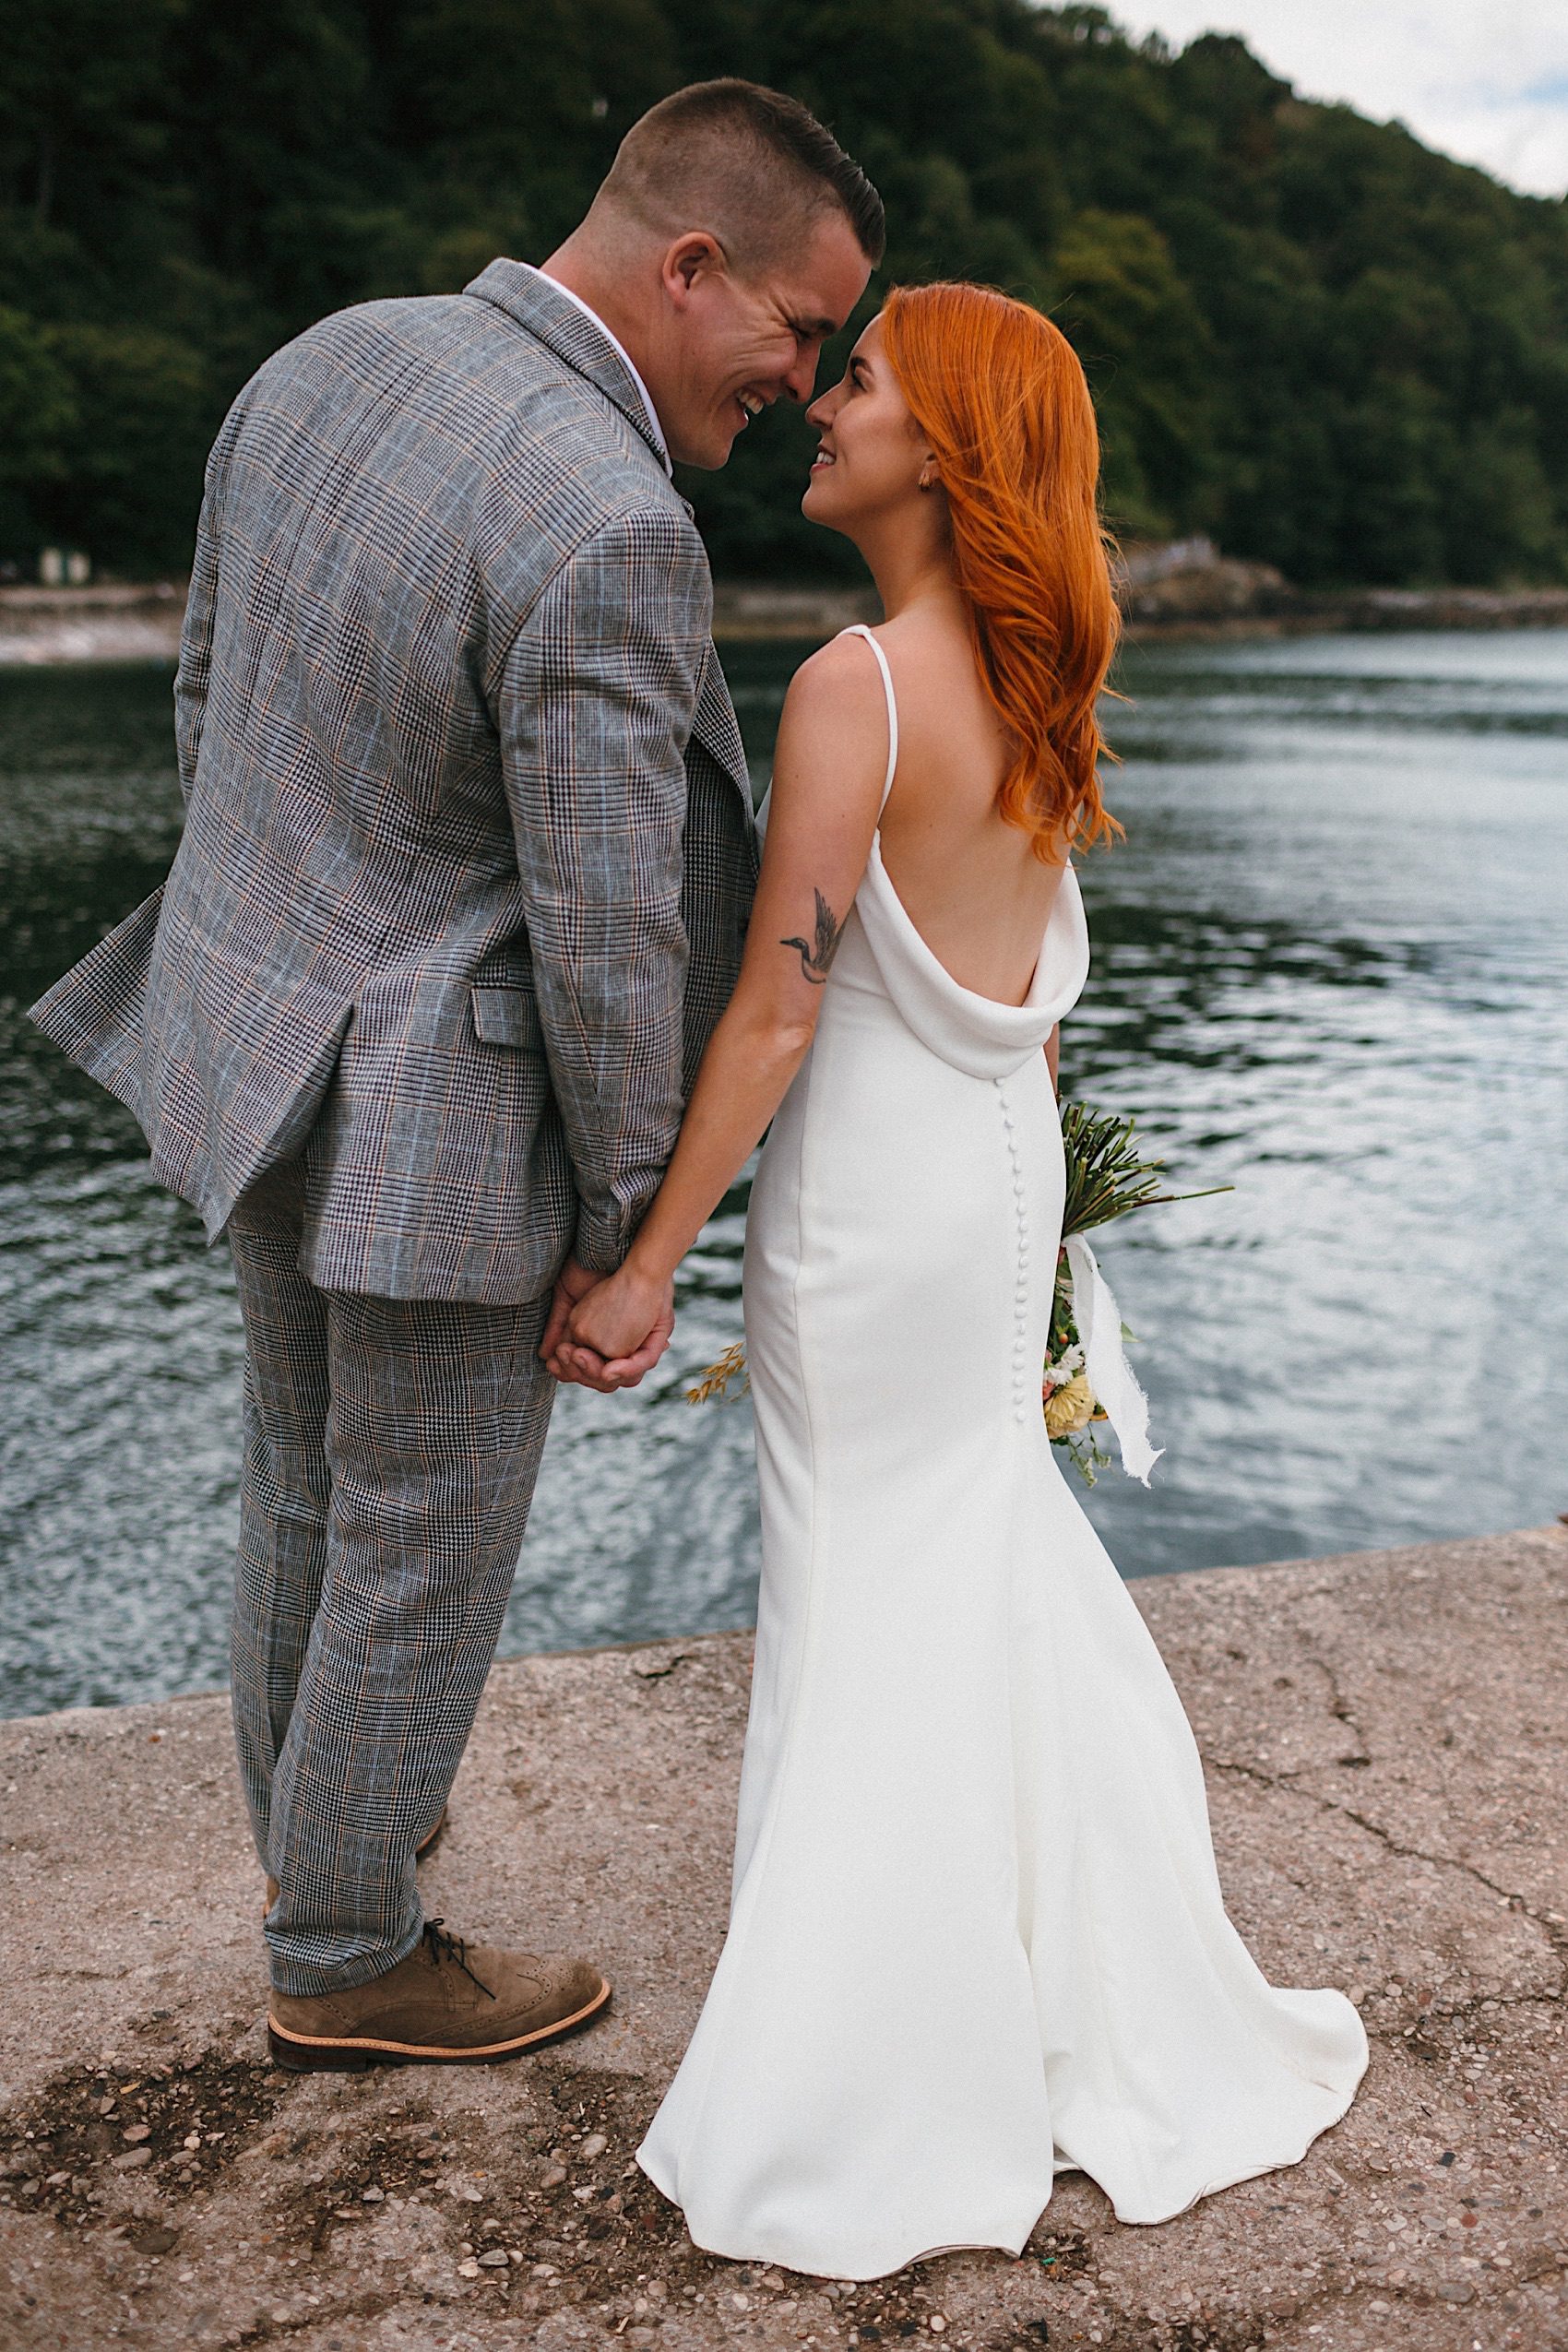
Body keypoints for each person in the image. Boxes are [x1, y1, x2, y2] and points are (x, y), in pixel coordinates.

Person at [28, 79, 880, 2073]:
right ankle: (349, 1953)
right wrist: (618, 1220)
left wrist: (291, 952)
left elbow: (206, 697)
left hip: (262, 1049)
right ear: (692, 267)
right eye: (800, 334)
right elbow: (606, 939)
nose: (802, 382)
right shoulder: (601, 516)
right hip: (440, 1122)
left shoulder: (329, 359)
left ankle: (329, 1869)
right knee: (420, 1540)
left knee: (303, 1499)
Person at [554, 282, 1368, 2277]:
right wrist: (1058, 1245)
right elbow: (1028, 1009)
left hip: (878, 1213)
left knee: (868, 1585)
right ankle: (1065, 1985)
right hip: (992, 1184)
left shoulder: (857, 683)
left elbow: (772, 1015)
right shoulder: (1028, 679)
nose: (824, 408)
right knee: (978, 1555)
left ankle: (877, 2061)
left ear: (942, 449)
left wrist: (642, 1263)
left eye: (862, 385)